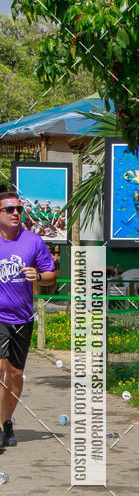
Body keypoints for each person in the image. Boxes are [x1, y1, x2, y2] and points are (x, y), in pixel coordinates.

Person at [0, 190, 57, 447]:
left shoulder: (33, 241)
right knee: (1, 369)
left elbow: (51, 276)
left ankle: (6, 421)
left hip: (22, 317)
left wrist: (39, 276)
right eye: (9, 209)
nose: (15, 214)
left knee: (15, 374)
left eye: (18, 210)